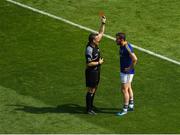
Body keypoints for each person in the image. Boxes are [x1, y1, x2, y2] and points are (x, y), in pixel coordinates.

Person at [85, 16, 106, 115]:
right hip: (91, 72)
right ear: (93, 40)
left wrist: (103, 23)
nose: (99, 38)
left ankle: (91, 106)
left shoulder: (95, 44)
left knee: (95, 88)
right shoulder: (89, 49)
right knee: (91, 89)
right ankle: (89, 109)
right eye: (97, 38)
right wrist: (98, 63)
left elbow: (101, 33)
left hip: (97, 71)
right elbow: (88, 63)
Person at [115, 32, 138, 116]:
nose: (115, 40)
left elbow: (135, 59)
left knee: (124, 90)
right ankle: (131, 105)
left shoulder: (127, 47)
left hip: (126, 72)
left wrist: (129, 68)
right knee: (128, 88)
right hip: (126, 72)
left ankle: (125, 109)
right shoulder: (122, 46)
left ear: (121, 39)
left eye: (117, 39)